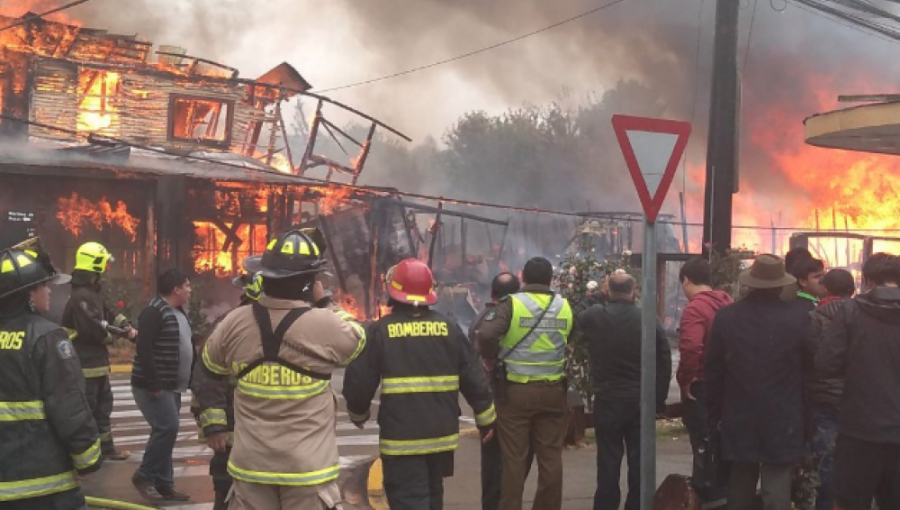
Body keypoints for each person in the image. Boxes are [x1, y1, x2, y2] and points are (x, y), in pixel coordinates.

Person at [198, 229, 366, 510]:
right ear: (308, 282)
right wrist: (323, 299)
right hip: (307, 472)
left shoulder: (233, 323)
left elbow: (210, 366)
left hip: (251, 468)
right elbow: (359, 338)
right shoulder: (326, 324)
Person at [344, 258, 496, 509]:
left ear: (393, 293)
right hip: (441, 437)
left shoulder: (380, 331)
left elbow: (360, 379)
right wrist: (486, 417)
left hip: (402, 440)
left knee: (409, 500)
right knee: (433, 494)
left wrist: (357, 412)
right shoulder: (449, 327)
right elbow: (473, 375)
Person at [0, 240, 102, 508]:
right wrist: (87, 459)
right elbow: (68, 404)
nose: (48, 292)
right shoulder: (47, 337)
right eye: (43, 286)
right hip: (45, 486)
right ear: (28, 295)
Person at [705, 254, 810, 510]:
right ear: (781, 284)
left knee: (739, 483)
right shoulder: (800, 318)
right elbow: (809, 371)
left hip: (739, 413)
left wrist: (713, 413)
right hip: (784, 415)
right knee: (777, 487)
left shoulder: (727, 317)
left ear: (750, 283)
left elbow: (713, 369)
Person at [477, 256, 573, 510]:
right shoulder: (564, 305)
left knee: (514, 461)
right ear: (551, 279)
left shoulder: (513, 304)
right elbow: (571, 337)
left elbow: (486, 333)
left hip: (517, 393)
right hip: (554, 392)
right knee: (551, 459)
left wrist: (490, 358)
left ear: (524, 279)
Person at [578, 273, 671, 510]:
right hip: (640, 401)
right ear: (634, 291)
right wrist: (658, 401)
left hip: (607, 399)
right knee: (639, 461)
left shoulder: (596, 316)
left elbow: (578, 313)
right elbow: (663, 359)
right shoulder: (648, 319)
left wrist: (597, 294)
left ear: (608, 291)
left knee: (608, 461)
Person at [817, 253, 900, 509]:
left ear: (867, 281)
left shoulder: (851, 311)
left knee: (850, 502)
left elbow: (825, 364)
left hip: (859, 429)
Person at [191, 273, 261, 510]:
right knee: (228, 486)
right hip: (232, 425)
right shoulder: (230, 325)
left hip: (260, 429)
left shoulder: (270, 323)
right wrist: (216, 427)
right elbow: (206, 377)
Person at [61, 241, 136, 461]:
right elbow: (93, 328)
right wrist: (118, 336)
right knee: (89, 409)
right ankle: (90, 455)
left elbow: (108, 313)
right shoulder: (80, 295)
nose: (106, 267)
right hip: (84, 364)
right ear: (95, 264)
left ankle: (107, 448)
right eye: (103, 262)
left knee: (103, 407)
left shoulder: (91, 292)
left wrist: (126, 325)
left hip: (97, 364)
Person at [130, 268, 194, 502]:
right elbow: (144, 348)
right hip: (154, 386)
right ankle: (144, 475)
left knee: (168, 431)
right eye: (187, 285)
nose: (189, 289)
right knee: (167, 428)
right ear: (176, 289)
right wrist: (153, 383)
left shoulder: (177, 311)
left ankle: (164, 484)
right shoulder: (153, 312)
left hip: (172, 385)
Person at [675, 257, 732, 501]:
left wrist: (685, 380)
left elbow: (691, 348)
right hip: (728, 386)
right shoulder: (728, 303)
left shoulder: (695, 308)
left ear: (686, 280)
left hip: (702, 386)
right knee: (722, 447)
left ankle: (707, 496)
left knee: (703, 448)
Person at [468, 272, 526, 510]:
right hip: (507, 398)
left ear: (492, 293)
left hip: (487, 400)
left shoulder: (480, 319)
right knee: (507, 463)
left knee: (493, 463)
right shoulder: (512, 318)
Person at [802, 268, 854, 510]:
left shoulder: (815, 318)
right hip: (855, 399)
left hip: (822, 398)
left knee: (825, 460)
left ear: (825, 288)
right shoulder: (861, 318)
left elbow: (810, 359)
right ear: (852, 292)